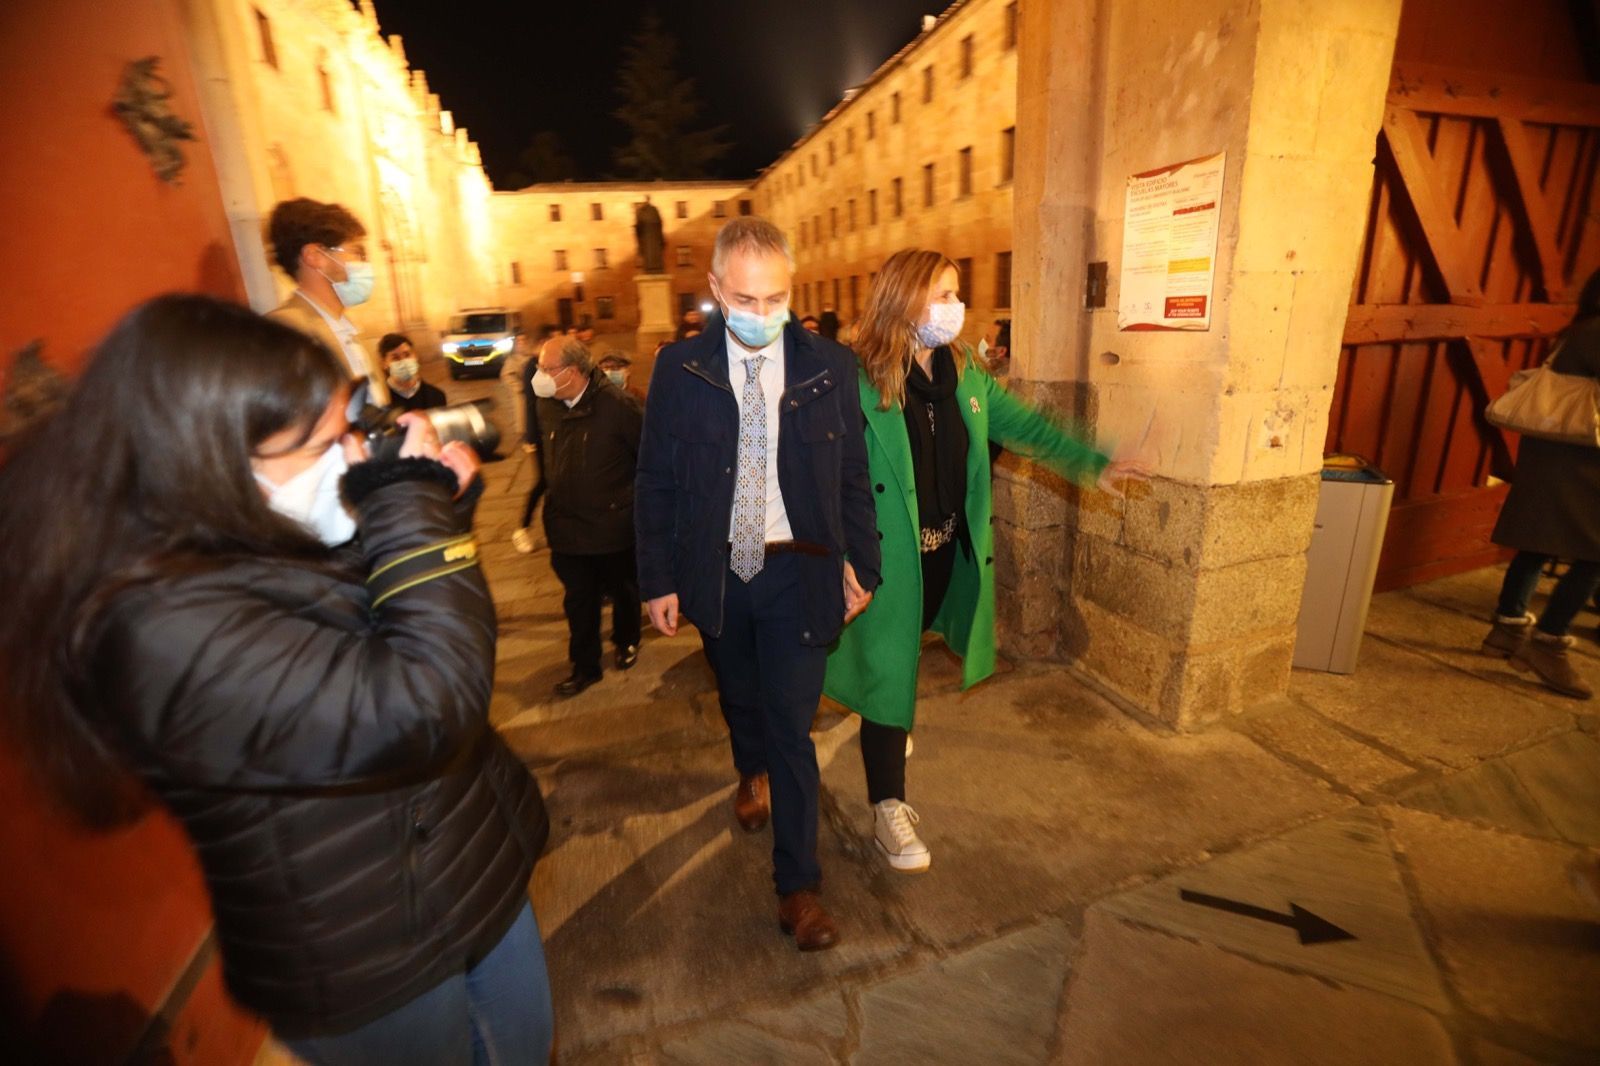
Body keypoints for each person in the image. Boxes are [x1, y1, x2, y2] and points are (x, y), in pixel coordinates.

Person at [0, 295, 552, 1063]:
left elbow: (388, 614)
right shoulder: (150, 628)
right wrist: (409, 504)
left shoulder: (255, 525)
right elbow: (424, 702)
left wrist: (434, 515)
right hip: (365, 954)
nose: (353, 456)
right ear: (212, 461)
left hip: (461, 868)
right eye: (326, 442)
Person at [824, 250, 1149, 873]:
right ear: (901, 301)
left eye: (955, 293)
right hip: (884, 565)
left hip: (944, 555)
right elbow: (823, 479)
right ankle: (888, 804)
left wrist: (1095, 462)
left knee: (902, 661)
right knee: (888, 678)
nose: (954, 307)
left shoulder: (965, 374)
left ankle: (887, 725)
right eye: (940, 294)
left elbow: (1030, 427)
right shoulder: (858, 382)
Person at [635, 217, 879, 952]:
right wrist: (657, 577)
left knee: (792, 729)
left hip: (797, 570)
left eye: (776, 299)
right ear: (715, 289)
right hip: (715, 572)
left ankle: (798, 887)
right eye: (746, 298)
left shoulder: (829, 366)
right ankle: (750, 773)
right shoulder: (679, 372)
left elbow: (851, 477)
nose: (763, 315)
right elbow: (653, 481)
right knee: (739, 695)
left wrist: (863, 565)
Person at [1480, 270, 1600, 699]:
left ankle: (1508, 630)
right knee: (1593, 554)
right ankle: (1548, 643)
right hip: (1582, 461)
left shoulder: (1580, 329)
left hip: (1554, 455)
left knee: (1537, 541)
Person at [532, 335, 644, 697]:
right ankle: (585, 666)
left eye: (548, 369)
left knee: (625, 591)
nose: (540, 376)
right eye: (539, 368)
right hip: (566, 528)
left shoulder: (620, 407)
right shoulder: (546, 404)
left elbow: (649, 461)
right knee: (579, 602)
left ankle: (627, 639)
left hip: (613, 528)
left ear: (575, 371)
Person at [266, 197, 390, 407]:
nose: (365, 263)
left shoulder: (345, 330)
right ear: (315, 256)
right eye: (357, 252)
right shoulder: (285, 334)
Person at [513, 324, 561, 554]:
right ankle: (522, 528)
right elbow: (533, 405)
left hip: (553, 434)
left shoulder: (547, 365)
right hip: (540, 436)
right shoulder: (532, 367)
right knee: (543, 481)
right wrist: (531, 438)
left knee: (554, 483)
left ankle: (555, 529)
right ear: (542, 344)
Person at [380, 332, 447, 412]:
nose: (403, 361)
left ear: (415, 356)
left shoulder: (436, 396)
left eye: (407, 355)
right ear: (384, 363)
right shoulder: (381, 401)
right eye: (395, 358)